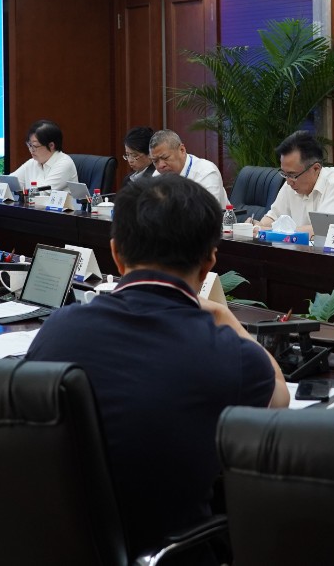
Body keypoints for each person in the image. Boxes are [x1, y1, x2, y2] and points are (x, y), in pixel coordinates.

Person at [27, 174, 286, 559]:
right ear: (209, 262)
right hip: (171, 555)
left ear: (116, 254)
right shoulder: (228, 354)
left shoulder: (58, 329)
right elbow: (279, 398)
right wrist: (223, 314)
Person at [255, 130, 334, 232]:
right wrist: (258, 226)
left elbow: (323, 231)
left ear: (316, 168)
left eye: (292, 175)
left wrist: (269, 230)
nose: (288, 182)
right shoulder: (290, 183)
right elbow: (273, 217)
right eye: (284, 174)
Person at [147, 128, 229, 207]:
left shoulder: (206, 171)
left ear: (182, 150)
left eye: (165, 158)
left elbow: (206, 212)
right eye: (155, 161)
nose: (160, 165)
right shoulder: (157, 175)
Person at [10, 119, 78, 192]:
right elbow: (9, 182)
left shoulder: (64, 163)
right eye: (29, 145)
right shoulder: (32, 162)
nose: (31, 150)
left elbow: (43, 192)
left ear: (51, 145)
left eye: (35, 146)